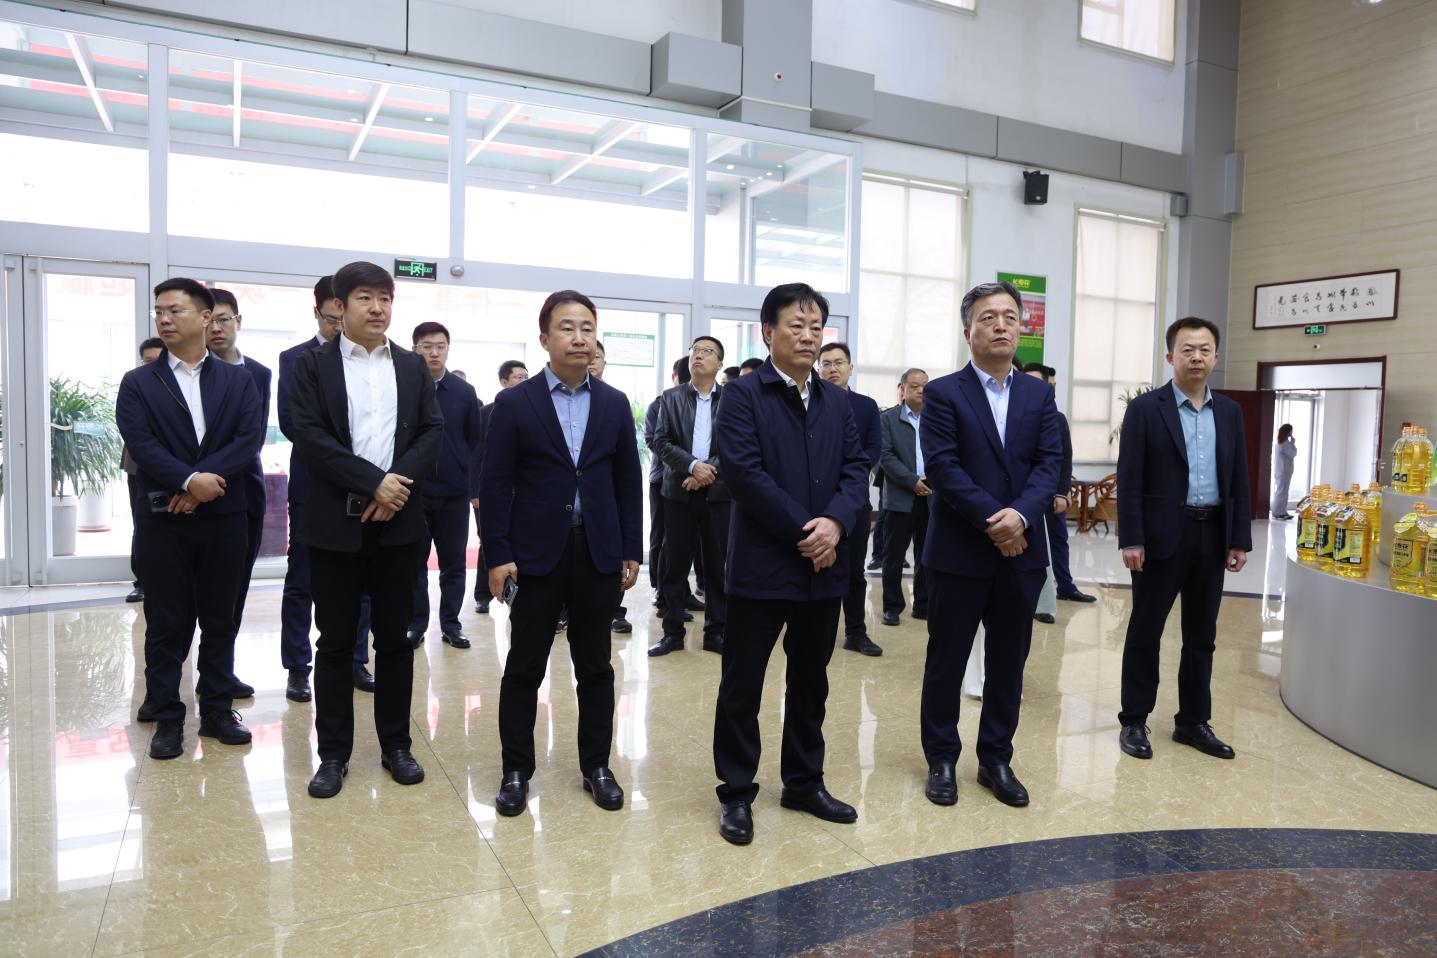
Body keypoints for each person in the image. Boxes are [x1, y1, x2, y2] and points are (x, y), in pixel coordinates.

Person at [711, 283, 869, 846]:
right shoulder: (742, 396)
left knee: (811, 681)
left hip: (822, 569)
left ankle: (803, 782)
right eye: (795, 326)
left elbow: (856, 469)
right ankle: (736, 792)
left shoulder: (837, 401)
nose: (807, 336)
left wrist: (837, 524)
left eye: (815, 327)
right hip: (763, 566)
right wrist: (811, 530)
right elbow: (745, 474)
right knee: (743, 685)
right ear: (768, 332)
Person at [482, 290, 643, 818]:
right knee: (524, 667)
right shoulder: (514, 403)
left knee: (595, 666)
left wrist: (631, 548)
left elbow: (627, 480)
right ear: (545, 338)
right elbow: (495, 483)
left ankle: (597, 766)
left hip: (596, 551)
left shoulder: (614, 403)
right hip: (534, 554)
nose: (579, 338)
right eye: (567, 328)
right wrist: (498, 554)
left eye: (587, 328)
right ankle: (515, 770)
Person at [286, 261, 443, 799]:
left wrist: (394, 487)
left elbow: (432, 431)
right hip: (334, 525)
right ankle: (333, 755)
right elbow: (306, 433)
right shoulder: (310, 365)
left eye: (385, 298)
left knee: (395, 641)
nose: (377, 308)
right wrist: (373, 483)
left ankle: (397, 745)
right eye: (364, 298)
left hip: (399, 523)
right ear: (340, 305)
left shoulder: (412, 366)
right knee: (334, 643)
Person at [918, 281, 1061, 809]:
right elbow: (943, 467)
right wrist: (994, 520)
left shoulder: (1038, 395)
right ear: (968, 331)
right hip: (960, 551)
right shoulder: (943, 392)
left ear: (1020, 327)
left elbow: (1049, 465)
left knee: (1008, 663)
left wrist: (1020, 516)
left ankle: (996, 758)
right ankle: (941, 758)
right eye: (987, 317)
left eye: (1009, 316)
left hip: (1021, 553)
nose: (1000, 325)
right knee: (947, 660)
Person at [116, 278, 264, 760]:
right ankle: (166, 715)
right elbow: (141, 444)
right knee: (167, 621)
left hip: (225, 515)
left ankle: (218, 710)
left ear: (204, 317)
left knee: (221, 617)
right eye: (158, 311)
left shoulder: (238, 380)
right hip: (165, 519)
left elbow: (247, 439)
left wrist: (202, 483)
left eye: (174, 310)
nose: (163, 318)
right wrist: (187, 481)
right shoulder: (140, 382)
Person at [1116, 316, 1251, 763]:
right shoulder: (1145, 409)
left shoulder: (1229, 412)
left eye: (1205, 350)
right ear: (1170, 356)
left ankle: (1193, 721)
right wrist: (1131, 538)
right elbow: (1130, 478)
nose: (1196, 357)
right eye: (1187, 350)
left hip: (1211, 534)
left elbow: (1239, 478)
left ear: (1216, 356)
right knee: (1146, 630)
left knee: (1201, 634)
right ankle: (1134, 719)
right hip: (1159, 538)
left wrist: (1238, 539)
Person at [277, 277, 375, 704]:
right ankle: (298, 667)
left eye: (343, 319)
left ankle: (357, 658)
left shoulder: (372, 360)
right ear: (317, 312)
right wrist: (345, 463)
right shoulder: (296, 359)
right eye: (333, 319)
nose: (339, 327)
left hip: (367, 487)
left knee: (363, 579)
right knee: (302, 579)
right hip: (314, 484)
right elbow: (293, 423)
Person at [205, 287, 272, 697]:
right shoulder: (187, 372)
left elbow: (254, 438)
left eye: (224, 319)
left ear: (238, 322)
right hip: (195, 494)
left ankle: (220, 671)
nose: (216, 328)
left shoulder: (259, 373)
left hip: (245, 491)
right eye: (209, 320)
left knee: (235, 588)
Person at [648, 336, 730, 657]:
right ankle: (672, 633)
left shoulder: (732, 400)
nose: (698, 355)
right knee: (674, 565)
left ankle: (716, 632)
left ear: (719, 363)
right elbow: (661, 441)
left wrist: (708, 472)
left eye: (707, 351)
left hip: (718, 493)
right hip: (678, 492)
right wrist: (694, 467)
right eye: (695, 351)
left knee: (716, 566)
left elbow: (739, 445)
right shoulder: (671, 398)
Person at [408, 321, 483, 650]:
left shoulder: (464, 392)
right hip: (414, 492)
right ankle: (416, 623)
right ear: (415, 349)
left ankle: (451, 624)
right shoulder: (406, 387)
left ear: (448, 349)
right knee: (415, 562)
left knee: (453, 563)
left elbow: (473, 439)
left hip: (453, 494)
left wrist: (465, 476)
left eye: (440, 346)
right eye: (427, 346)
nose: (434, 352)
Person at [819, 342, 883, 656]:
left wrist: (846, 471)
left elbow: (873, 450)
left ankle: (856, 632)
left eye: (839, 363)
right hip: (817, 501)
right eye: (826, 363)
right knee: (818, 565)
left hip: (854, 499)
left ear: (850, 368)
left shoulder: (866, 406)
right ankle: (817, 632)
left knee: (854, 571)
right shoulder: (809, 402)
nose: (833, 369)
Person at [1022, 363, 1096, 615]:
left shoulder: (1056, 418)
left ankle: (1065, 586)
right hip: (1021, 495)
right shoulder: (1012, 414)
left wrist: (1062, 492)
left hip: (1050, 494)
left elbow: (1064, 458)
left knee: (1057, 540)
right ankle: (1034, 596)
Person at [642, 358, 700, 624]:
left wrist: (699, 470)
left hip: (703, 481)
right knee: (662, 539)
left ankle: (682, 593)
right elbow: (655, 441)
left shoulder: (711, 402)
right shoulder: (662, 403)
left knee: (688, 542)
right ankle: (661, 592)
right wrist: (690, 466)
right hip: (664, 480)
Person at [473, 360, 528, 614]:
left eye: (526, 376)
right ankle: (482, 595)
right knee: (488, 540)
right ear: (504, 382)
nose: (524, 380)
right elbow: (476, 454)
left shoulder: (533, 408)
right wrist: (474, 490)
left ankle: (517, 593)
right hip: (489, 491)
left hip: (522, 491)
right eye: (518, 377)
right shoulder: (486, 412)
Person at [878, 368, 930, 627]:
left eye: (924, 386)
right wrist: (912, 481)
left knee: (927, 554)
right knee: (894, 555)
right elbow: (885, 457)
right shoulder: (888, 419)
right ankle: (892, 607)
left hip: (931, 494)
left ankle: (923, 605)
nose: (921, 390)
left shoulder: (936, 418)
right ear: (903, 389)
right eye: (915, 386)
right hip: (901, 495)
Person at [124, 336, 166, 606]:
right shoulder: (135, 384)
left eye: (158, 360)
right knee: (142, 523)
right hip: (138, 467)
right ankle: (142, 582)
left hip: (173, 469)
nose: (152, 366)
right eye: (147, 361)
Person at [1271, 423, 1296, 519]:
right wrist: (1293, 443)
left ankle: (1282, 511)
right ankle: (1278, 512)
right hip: (1283, 472)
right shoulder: (1285, 444)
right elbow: (1293, 454)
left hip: (1282, 471)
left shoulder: (1281, 443)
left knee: (1283, 492)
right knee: (1282, 492)